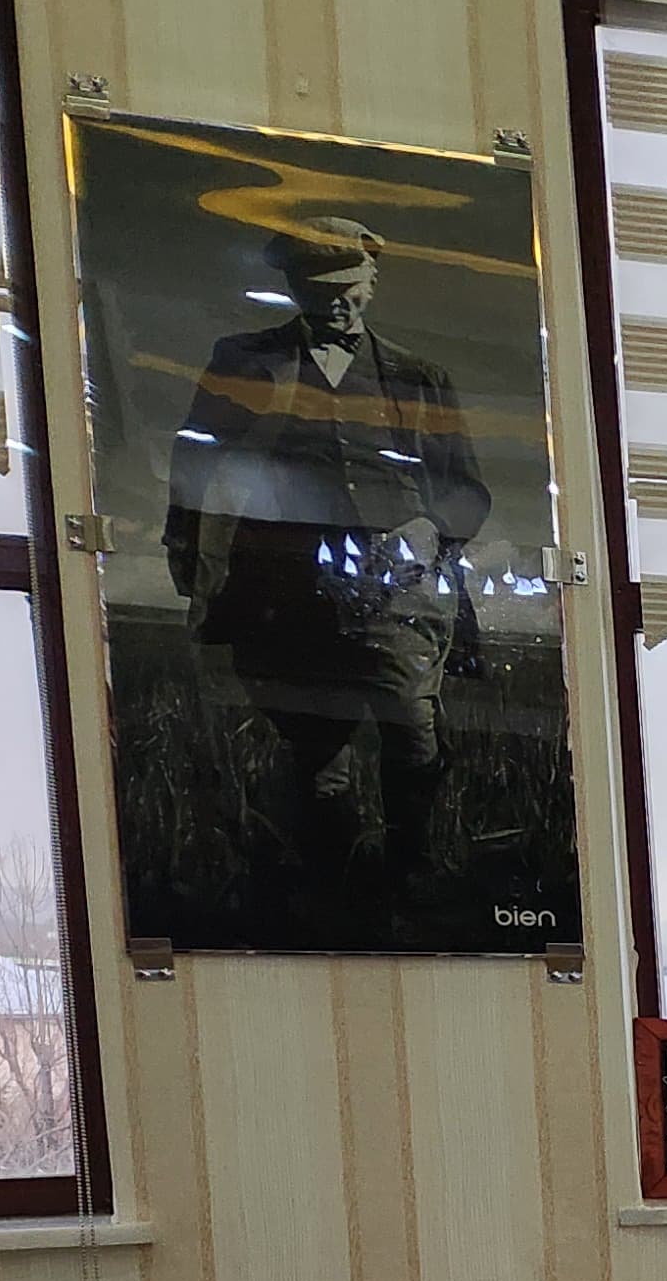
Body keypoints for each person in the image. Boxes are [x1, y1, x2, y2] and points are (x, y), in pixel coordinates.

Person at [162, 218, 490, 893]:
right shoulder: (244, 360)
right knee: (316, 752)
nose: (337, 301)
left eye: (348, 286)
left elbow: (466, 491)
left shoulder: (419, 377)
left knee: (413, 728)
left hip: (398, 592)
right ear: (292, 287)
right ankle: (336, 888)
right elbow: (195, 462)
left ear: (372, 280)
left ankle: (412, 869)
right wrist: (189, 551)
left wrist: (428, 528)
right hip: (285, 590)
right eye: (318, 288)